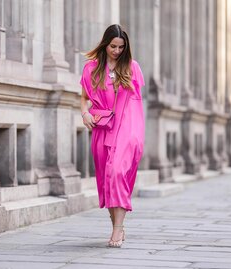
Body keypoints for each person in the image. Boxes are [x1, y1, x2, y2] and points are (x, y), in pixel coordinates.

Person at [80, 24, 145, 248]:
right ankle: (116, 226)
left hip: (127, 126)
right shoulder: (91, 69)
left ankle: (117, 230)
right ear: (105, 44)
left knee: (118, 171)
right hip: (102, 126)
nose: (117, 51)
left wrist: (136, 134)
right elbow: (84, 97)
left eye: (121, 47)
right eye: (113, 46)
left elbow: (137, 104)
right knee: (107, 177)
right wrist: (84, 113)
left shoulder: (132, 67)